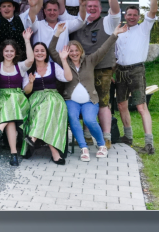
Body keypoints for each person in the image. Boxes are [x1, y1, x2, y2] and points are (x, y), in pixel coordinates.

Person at [49, 22, 127, 161]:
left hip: (89, 101)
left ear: (81, 51)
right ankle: (83, 148)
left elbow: (104, 49)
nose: (74, 53)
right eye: (71, 51)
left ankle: (102, 145)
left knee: (89, 120)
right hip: (71, 100)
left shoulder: (90, 60)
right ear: (67, 52)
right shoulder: (64, 62)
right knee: (72, 117)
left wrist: (115, 34)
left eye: (76, 50)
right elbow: (51, 49)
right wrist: (57, 34)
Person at [69, 0, 121, 148]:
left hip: (102, 69)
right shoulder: (78, 23)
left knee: (103, 103)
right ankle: (86, 136)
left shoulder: (107, 22)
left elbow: (116, 11)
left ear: (100, 9)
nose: (91, 9)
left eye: (94, 6)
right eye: (88, 6)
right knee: (86, 101)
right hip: (81, 70)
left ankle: (106, 138)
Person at [114, 0, 158, 154]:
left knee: (141, 106)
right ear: (125, 15)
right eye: (129, 14)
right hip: (120, 71)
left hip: (136, 71)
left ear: (139, 16)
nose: (132, 17)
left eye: (135, 15)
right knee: (121, 105)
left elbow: (153, 11)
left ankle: (149, 144)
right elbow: (115, 54)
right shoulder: (119, 31)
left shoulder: (144, 28)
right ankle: (128, 137)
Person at [0, 29, 34, 166]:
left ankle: (0, 129)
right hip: (2, 100)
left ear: (16, 53)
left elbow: (31, 60)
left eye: (11, 51)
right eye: (6, 51)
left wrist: (27, 40)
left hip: (18, 100)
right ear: (2, 52)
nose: (9, 53)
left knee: (12, 99)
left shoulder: (20, 67)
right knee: (10, 120)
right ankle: (13, 154)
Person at [20, 41, 73, 164]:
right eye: (36, 51)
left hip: (54, 97)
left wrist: (64, 60)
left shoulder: (53, 66)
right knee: (47, 111)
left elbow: (68, 78)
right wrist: (31, 82)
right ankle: (55, 153)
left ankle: (33, 137)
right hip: (36, 98)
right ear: (32, 53)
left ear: (46, 53)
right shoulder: (28, 69)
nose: (40, 53)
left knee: (49, 105)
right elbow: (27, 91)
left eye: (42, 50)